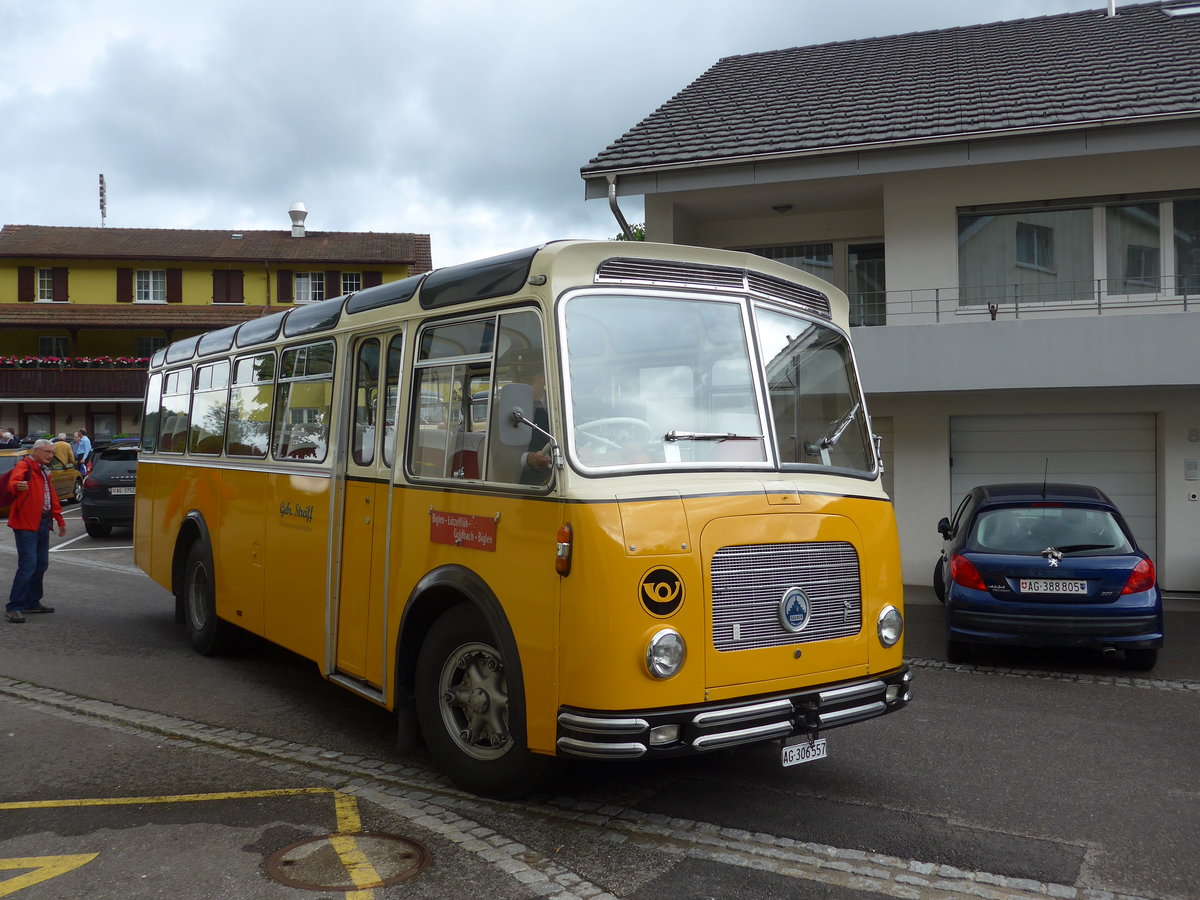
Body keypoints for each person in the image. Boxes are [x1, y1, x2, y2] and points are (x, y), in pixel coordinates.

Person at [5, 439, 67, 623]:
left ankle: (32, 602)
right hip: (26, 523)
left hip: (42, 522)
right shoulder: (25, 466)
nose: (51, 455)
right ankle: (14, 606)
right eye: (47, 451)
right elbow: (13, 482)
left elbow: (52, 497)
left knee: (41, 564)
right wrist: (18, 486)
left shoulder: (44, 471)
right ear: (36, 451)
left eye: (52, 452)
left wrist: (59, 519)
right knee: (28, 565)